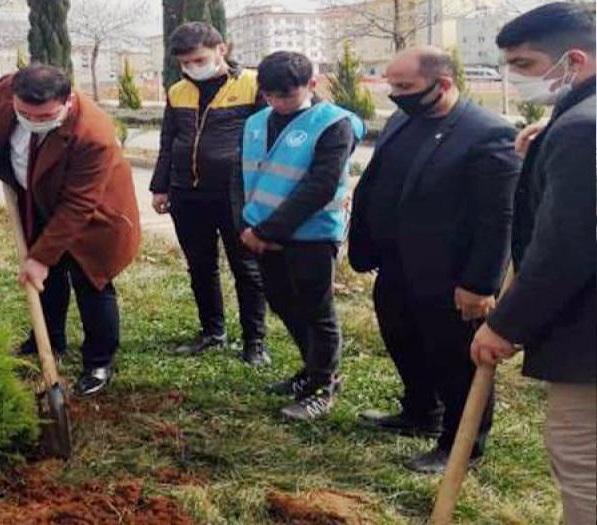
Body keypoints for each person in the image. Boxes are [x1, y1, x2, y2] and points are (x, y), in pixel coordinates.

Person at [348, 46, 520, 473]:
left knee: (455, 361)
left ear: (442, 84)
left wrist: (480, 284)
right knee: (402, 339)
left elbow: (499, 218)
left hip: (451, 275)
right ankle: (421, 411)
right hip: (396, 263)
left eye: (404, 86)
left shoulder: (488, 134)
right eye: (392, 85)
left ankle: (462, 446)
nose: (394, 94)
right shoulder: (404, 119)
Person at [471, 4, 596, 523]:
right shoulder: (574, 124)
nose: (514, 78)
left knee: (583, 466)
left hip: (589, 341)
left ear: (574, 59)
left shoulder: (583, 130)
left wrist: (506, 324)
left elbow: (566, 245)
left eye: (523, 65)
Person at [0, 65, 141, 396]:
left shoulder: (93, 135)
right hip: (38, 201)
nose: (34, 123)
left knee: (92, 282)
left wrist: (40, 257)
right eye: (25, 115)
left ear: (68, 101)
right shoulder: (9, 90)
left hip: (94, 218)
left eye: (45, 116)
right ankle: (47, 341)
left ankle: (98, 361)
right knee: (47, 283)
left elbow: (77, 206)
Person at [239, 51, 364, 420]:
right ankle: (312, 368)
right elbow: (240, 175)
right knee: (281, 300)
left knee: (316, 309)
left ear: (311, 85)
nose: (277, 103)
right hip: (260, 233)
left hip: (311, 235)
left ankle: (323, 386)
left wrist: (267, 230)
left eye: (286, 96)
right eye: (270, 96)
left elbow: (320, 186)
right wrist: (246, 225)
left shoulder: (333, 124)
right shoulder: (258, 122)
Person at [149, 22, 270, 366]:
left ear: (222, 50)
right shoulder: (177, 92)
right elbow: (168, 141)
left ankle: (254, 342)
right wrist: (160, 186)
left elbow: (268, 136)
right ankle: (212, 331)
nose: (191, 67)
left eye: (198, 59)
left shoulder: (252, 85)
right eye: (184, 63)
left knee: (246, 268)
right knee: (200, 266)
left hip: (236, 196)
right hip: (186, 194)